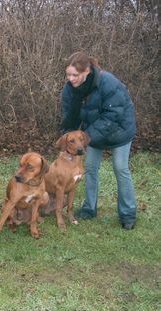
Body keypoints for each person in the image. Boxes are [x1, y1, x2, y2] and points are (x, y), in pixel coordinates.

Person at [61, 51, 137, 230]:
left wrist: (88, 136)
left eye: (75, 75)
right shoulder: (69, 90)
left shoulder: (107, 82)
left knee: (120, 168)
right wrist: (67, 141)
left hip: (120, 131)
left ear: (87, 71)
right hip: (93, 132)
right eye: (68, 74)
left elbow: (113, 116)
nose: (71, 79)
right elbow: (70, 118)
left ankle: (128, 214)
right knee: (90, 168)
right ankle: (89, 209)